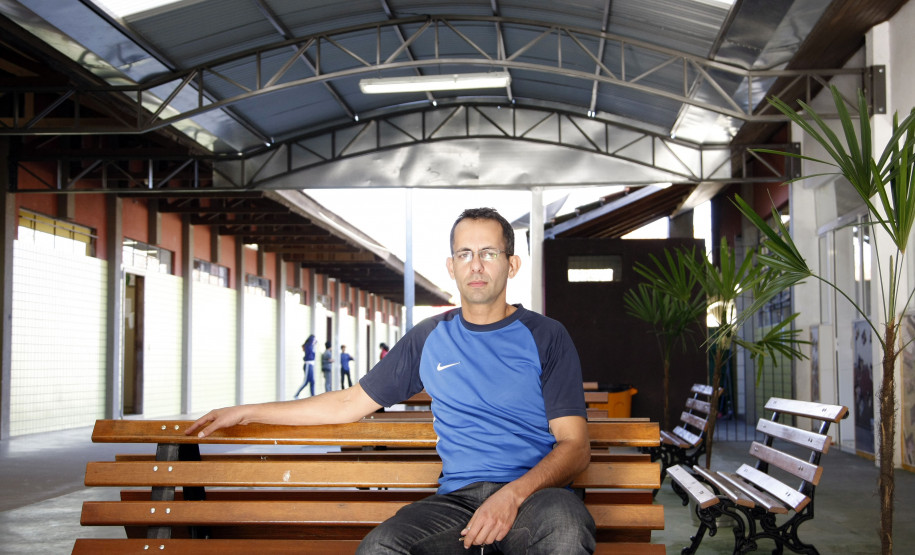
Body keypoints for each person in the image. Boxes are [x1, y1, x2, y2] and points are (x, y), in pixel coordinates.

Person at [187, 207, 594, 554]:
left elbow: (575, 447)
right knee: (381, 547)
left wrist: (512, 495)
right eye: (465, 254)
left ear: (512, 264)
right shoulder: (429, 337)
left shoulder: (546, 336)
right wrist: (247, 412)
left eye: (489, 253)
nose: (476, 265)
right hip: (458, 504)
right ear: (451, 266)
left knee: (566, 530)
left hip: (536, 499)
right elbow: (348, 403)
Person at [294, 334, 316, 399]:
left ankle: (313, 396)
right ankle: (296, 394)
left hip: (311, 365)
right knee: (305, 381)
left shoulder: (311, 346)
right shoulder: (308, 346)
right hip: (308, 365)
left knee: (312, 381)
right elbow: (308, 356)